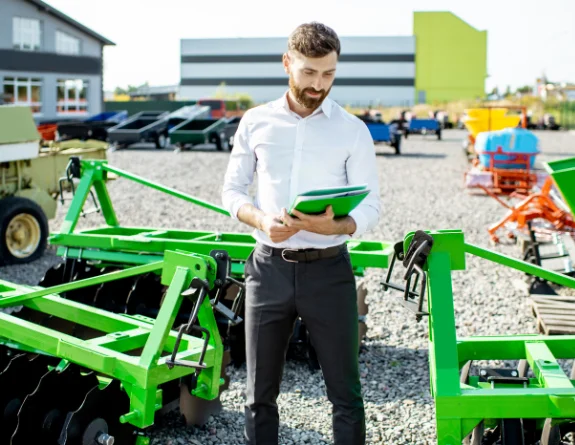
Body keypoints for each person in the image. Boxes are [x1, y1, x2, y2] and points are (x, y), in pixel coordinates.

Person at [221, 22, 381, 445]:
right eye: (309, 72)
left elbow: (371, 205)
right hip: (266, 271)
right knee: (259, 394)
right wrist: (260, 220)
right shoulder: (256, 122)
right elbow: (232, 191)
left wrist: (340, 226)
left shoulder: (352, 130)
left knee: (346, 394)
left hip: (329, 272)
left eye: (328, 74)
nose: (319, 84)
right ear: (287, 63)